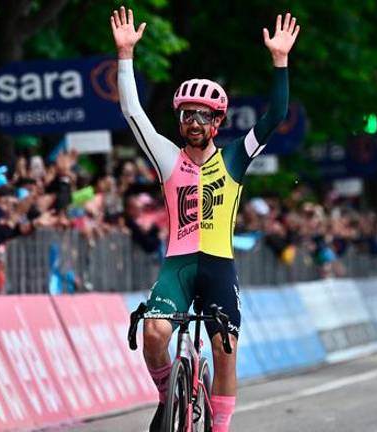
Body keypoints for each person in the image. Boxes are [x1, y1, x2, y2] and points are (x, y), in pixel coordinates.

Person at [111, 6, 299, 431]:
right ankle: (167, 395)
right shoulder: (167, 158)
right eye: (186, 114)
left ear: (217, 121)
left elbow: (275, 116)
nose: (193, 122)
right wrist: (125, 55)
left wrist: (280, 61)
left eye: (203, 115)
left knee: (224, 349)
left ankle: (220, 428)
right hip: (177, 267)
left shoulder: (234, 158)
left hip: (218, 267)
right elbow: (133, 113)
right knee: (154, 334)